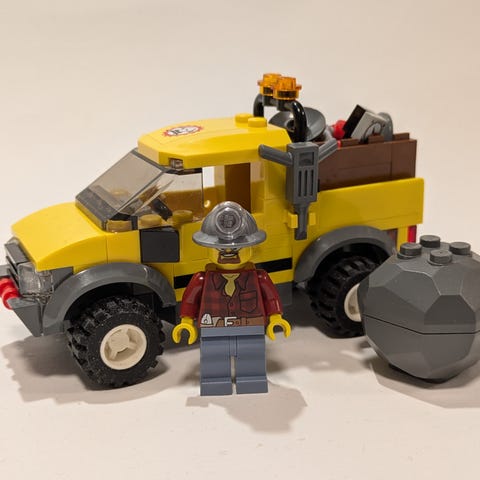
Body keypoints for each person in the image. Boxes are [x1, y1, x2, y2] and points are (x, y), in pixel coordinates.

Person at [172, 201, 291, 395]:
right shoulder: (201, 279)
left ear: (251, 247)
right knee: (214, 360)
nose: (228, 253)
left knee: (252, 358)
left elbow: (271, 298)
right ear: (208, 248)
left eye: (237, 249)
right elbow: (190, 301)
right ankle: (215, 383)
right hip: (213, 328)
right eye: (220, 250)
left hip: (250, 327)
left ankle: (252, 380)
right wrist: (186, 322)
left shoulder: (259, 278)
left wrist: (276, 318)